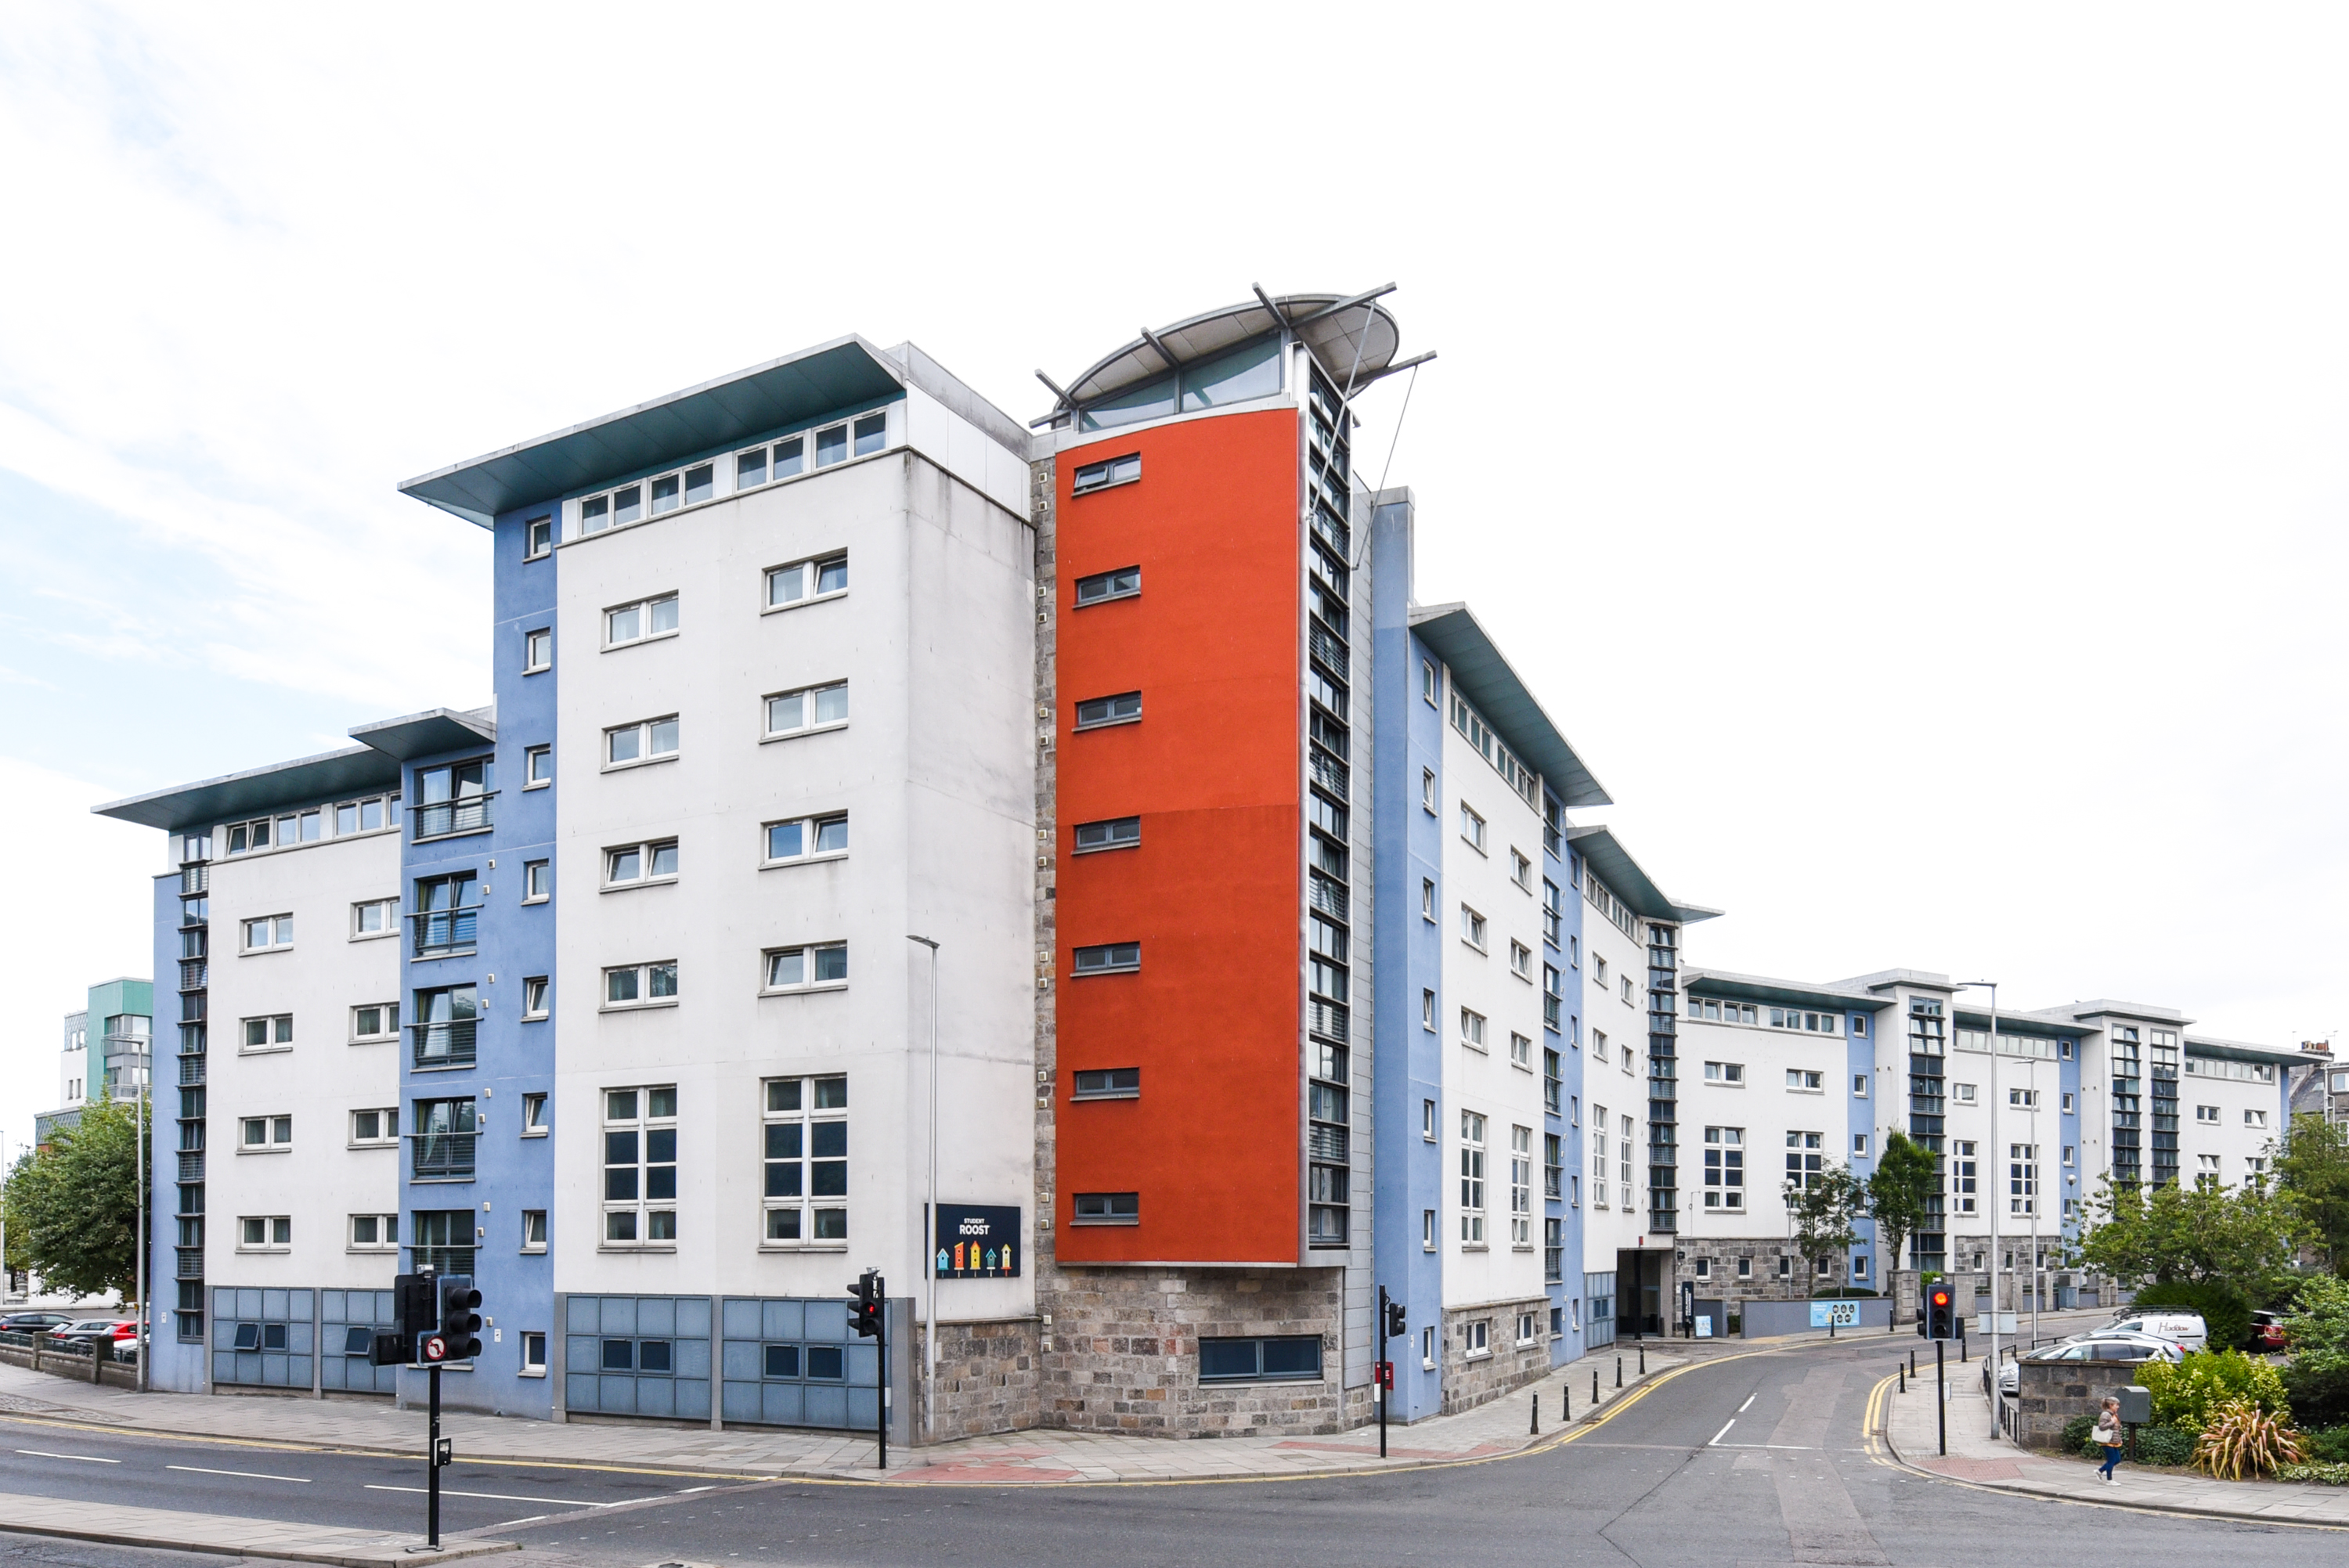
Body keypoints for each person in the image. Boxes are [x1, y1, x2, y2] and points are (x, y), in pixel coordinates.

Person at [2094, 1397, 2124, 1483]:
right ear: (2111, 1405)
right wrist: (2112, 1422)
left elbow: (2116, 1429)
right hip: (2107, 1441)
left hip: (2114, 1441)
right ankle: (2109, 1480)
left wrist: (2119, 1439)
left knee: (2117, 1459)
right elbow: (2102, 1427)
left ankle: (2099, 1471)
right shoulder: (2106, 1415)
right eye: (2116, 1405)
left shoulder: (2114, 1415)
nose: (2118, 1407)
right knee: (2111, 1460)